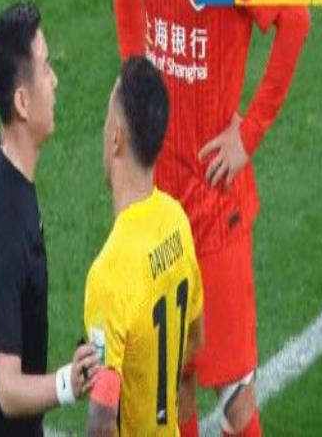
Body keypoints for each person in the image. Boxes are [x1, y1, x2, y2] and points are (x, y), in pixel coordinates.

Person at [112, 0, 310, 436]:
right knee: (174, 379)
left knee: (236, 399)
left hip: (215, 208)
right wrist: (134, 77)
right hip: (158, 198)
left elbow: (295, 19)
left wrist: (249, 132)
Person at [0, 3, 99, 436]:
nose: (54, 80)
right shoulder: (8, 218)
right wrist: (70, 382)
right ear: (22, 101)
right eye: (46, 68)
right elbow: (10, 391)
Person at [84, 57, 204, 436]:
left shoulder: (109, 274)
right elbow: (195, 336)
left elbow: (102, 421)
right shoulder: (176, 221)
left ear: (116, 137)